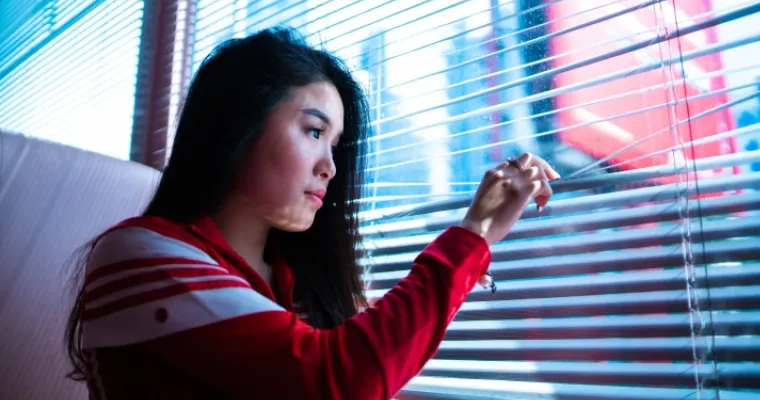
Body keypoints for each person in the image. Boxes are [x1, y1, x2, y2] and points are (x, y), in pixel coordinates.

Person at [65, 27, 559, 399]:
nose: (330, 167)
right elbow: (335, 380)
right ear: (236, 126)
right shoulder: (135, 254)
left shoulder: (296, 286)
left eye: (336, 144)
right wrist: (472, 234)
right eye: (314, 132)